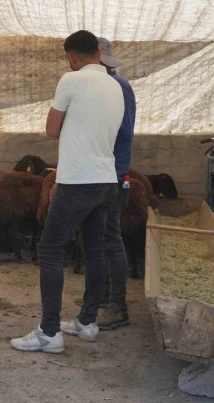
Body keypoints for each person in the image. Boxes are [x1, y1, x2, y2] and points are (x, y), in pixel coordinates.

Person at [10, 30, 123, 353]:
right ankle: (87, 322)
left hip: (77, 182)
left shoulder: (70, 81)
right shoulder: (115, 86)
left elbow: (51, 130)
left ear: (72, 57)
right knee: (95, 249)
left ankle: (48, 332)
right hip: (106, 180)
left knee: (49, 250)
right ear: (98, 54)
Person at [95, 37, 136, 330]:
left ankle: (119, 306)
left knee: (111, 238)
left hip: (112, 172)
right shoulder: (105, 86)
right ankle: (105, 296)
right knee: (100, 236)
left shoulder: (118, 88)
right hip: (102, 170)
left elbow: (121, 131)